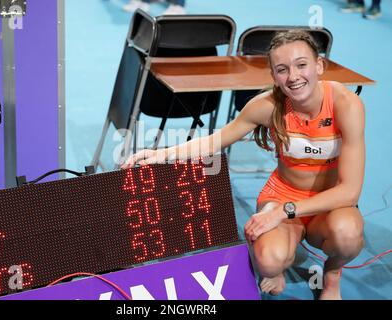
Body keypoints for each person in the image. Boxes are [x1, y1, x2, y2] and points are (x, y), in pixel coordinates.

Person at [122, 30, 366, 300]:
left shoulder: (346, 104)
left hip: (328, 203)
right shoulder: (266, 106)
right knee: (269, 261)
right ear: (273, 76)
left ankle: (331, 276)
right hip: (283, 194)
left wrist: (283, 213)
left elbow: (350, 192)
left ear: (319, 65)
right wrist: (162, 154)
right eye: (282, 69)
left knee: (348, 234)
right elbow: (216, 141)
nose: (294, 77)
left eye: (301, 65)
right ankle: (279, 263)